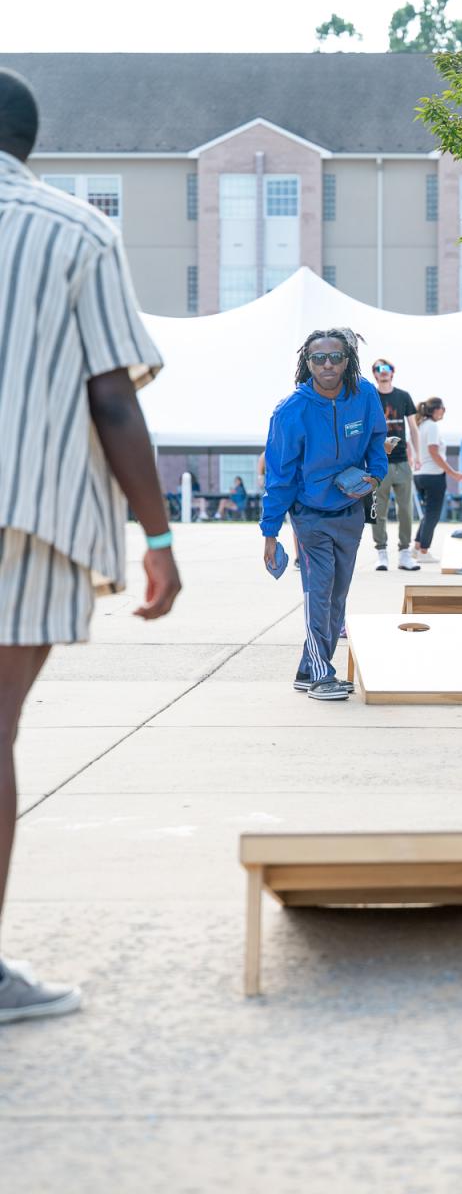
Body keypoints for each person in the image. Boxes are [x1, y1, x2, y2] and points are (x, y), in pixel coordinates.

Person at [0, 69, 181, 1024]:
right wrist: (157, 535)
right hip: (22, 510)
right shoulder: (72, 230)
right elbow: (112, 396)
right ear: (28, 144)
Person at [260, 329, 387, 701]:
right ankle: (321, 673)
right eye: (318, 358)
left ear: (348, 360)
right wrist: (271, 532)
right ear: (307, 363)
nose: (327, 365)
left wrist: (374, 475)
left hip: (351, 509)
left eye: (335, 357)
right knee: (320, 591)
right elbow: (279, 477)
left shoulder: (364, 395)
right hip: (309, 515)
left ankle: (307, 668)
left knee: (338, 594)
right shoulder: (291, 411)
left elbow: (378, 441)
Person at [370, 358, 420, 572]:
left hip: (401, 461)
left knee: (406, 510)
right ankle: (381, 553)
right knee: (378, 510)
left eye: (386, 368)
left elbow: (413, 428)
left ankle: (404, 553)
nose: (383, 372)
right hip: (378, 462)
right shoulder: (369, 396)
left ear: (392, 372)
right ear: (374, 374)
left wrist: (416, 455)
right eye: (379, 369)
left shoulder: (403, 396)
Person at [413, 398, 462, 562]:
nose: (444, 411)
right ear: (435, 409)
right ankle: (423, 551)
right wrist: (452, 472)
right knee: (433, 515)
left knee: (427, 514)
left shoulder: (420, 426)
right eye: (443, 408)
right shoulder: (432, 426)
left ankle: (416, 548)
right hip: (433, 476)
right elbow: (433, 451)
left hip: (419, 474)